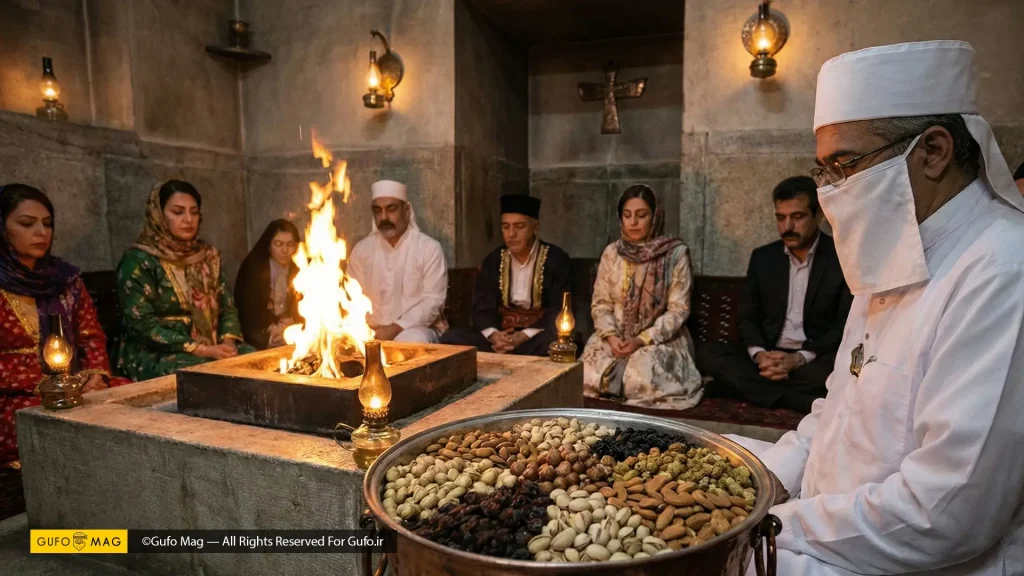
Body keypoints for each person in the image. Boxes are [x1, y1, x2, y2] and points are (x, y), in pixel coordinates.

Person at [730, 41, 1024, 576]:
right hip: (832, 525)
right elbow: (835, 414)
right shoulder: (892, 244)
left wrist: (771, 526)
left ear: (932, 151)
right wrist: (749, 492)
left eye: (844, 165)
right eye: (823, 171)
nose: (830, 191)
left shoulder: (1004, 269)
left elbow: (944, 512)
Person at [0, 184, 129, 469]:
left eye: (47, 224)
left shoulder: (65, 279)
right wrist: (43, 382)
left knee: (127, 398)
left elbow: (92, 336)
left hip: (76, 383)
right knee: (39, 419)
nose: (41, 232)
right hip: (15, 396)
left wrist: (95, 376)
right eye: (26, 223)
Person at [698, 176, 852, 413]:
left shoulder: (840, 257)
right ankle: (796, 400)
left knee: (841, 370)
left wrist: (800, 358)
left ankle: (746, 389)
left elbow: (844, 325)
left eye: (797, 217)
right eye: (781, 218)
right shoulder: (763, 258)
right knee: (709, 354)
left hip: (812, 357)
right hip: (769, 354)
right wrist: (760, 355)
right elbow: (746, 316)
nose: (787, 226)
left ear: (819, 215)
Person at [117, 180, 254, 381]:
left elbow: (227, 307)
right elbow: (141, 324)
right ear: (159, 215)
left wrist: (228, 343)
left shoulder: (208, 257)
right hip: (158, 353)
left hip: (213, 346)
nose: (188, 219)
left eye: (194, 212)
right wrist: (199, 349)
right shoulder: (139, 260)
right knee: (207, 375)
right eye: (178, 212)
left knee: (257, 360)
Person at [581, 184, 703, 410]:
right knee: (584, 374)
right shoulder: (612, 253)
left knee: (642, 377)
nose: (633, 222)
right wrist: (611, 337)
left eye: (641, 215)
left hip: (660, 337)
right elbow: (601, 304)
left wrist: (641, 339)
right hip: (615, 336)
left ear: (656, 216)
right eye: (627, 215)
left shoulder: (675, 253)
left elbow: (679, 309)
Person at [441, 195, 574, 355]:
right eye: (506, 227)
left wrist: (522, 336)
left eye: (519, 226)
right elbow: (482, 307)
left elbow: (559, 309)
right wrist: (495, 336)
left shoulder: (557, 259)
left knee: (554, 342)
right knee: (452, 338)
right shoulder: (494, 260)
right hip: (500, 335)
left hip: (535, 336)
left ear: (535, 227)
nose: (511, 234)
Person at [347, 180, 447, 343]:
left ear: (406, 210)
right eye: (378, 211)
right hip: (369, 332)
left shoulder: (429, 248)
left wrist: (395, 328)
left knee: (414, 340)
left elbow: (432, 302)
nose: (384, 217)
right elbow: (350, 298)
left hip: (416, 329)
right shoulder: (361, 250)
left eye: (391, 209)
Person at [234, 219, 301, 349]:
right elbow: (248, 310)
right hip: (259, 327)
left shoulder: (300, 266)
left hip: (290, 326)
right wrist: (271, 328)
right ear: (269, 245)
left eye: (290, 244)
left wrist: (291, 321)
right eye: (278, 244)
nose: (285, 250)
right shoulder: (253, 267)